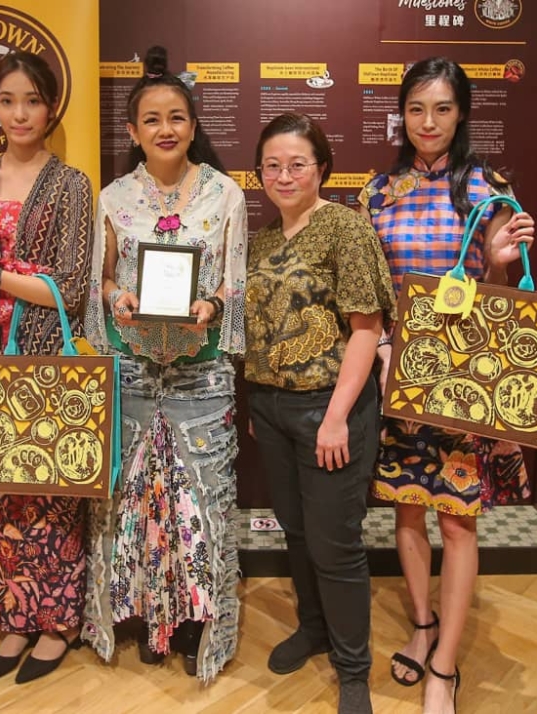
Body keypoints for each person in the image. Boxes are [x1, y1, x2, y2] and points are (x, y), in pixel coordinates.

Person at [358, 57, 535, 714]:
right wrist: (378, 346)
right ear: (401, 115)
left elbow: (502, 300)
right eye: (416, 109)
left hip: (462, 379)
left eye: (442, 109)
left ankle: (447, 664)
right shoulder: (377, 192)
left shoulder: (490, 191)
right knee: (407, 510)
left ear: (461, 115)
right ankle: (424, 623)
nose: (427, 123)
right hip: (399, 374)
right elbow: (368, 291)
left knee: (458, 524)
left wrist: (497, 262)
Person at [83, 45, 247, 683]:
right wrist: (116, 297)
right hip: (131, 369)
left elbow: (234, 283)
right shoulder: (113, 198)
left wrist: (210, 303)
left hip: (199, 374)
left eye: (177, 116)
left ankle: (196, 622)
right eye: (151, 119)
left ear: (193, 124)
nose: (166, 129)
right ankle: (150, 616)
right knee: (137, 499)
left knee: (196, 503)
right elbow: (99, 283)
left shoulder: (223, 194)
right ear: (133, 132)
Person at [0, 51, 93, 684]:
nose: (20, 113)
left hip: (45, 358)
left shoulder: (71, 184)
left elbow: (73, 286)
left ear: (51, 106)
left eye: (33, 100)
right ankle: (12, 620)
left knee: (52, 489)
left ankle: (57, 624)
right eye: (8, 100)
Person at [243, 113, 395, 714]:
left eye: (297, 163)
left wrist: (335, 418)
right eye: (273, 165)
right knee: (297, 531)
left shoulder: (345, 230)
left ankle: (352, 668)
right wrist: (262, 399)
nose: (284, 175)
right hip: (272, 408)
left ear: (322, 169)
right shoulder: (259, 240)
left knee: (336, 544)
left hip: (330, 409)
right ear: (260, 173)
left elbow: (367, 329)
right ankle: (313, 629)